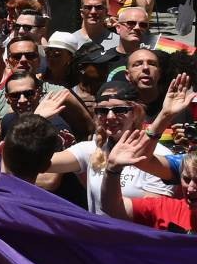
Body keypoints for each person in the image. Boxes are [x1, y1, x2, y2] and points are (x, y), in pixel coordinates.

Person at [45, 80, 175, 214]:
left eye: (119, 110)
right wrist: (37, 119)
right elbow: (37, 162)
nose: (110, 117)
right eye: (102, 111)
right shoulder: (92, 150)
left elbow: (151, 215)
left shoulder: (160, 155)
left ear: (136, 112)